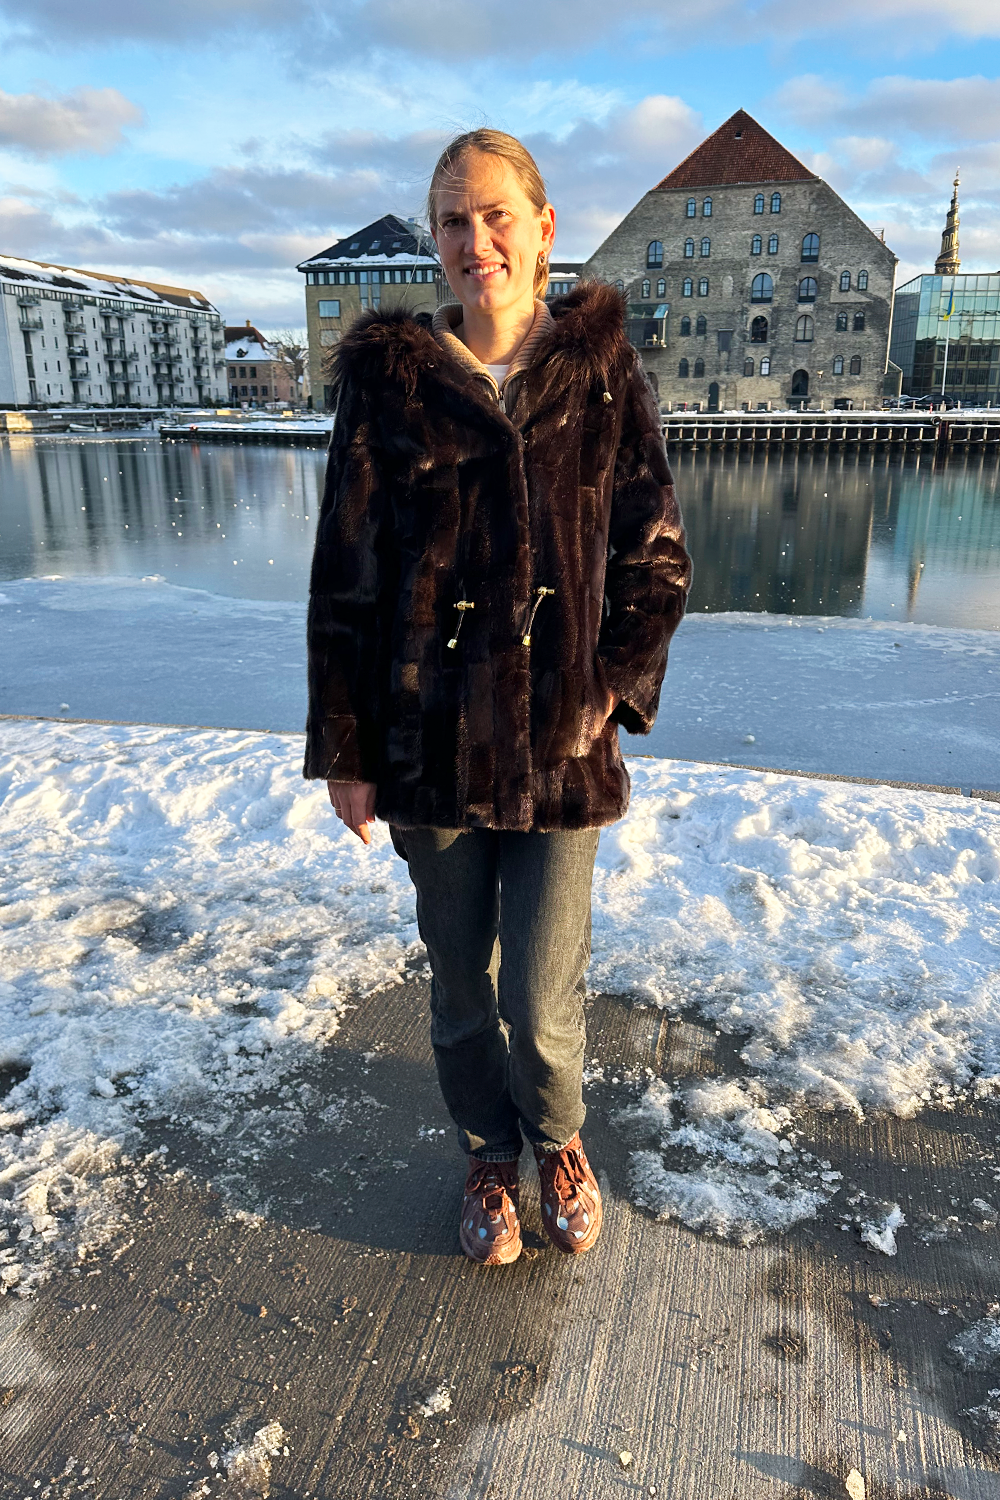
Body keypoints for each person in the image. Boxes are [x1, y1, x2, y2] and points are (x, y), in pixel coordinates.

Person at [305, 129, 691, 1265]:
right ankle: (487, 1152)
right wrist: (346, 749)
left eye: (495, 216)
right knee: (460, 986)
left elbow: (655, 556)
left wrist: (608, 689)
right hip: (428, 743)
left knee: (542, 990)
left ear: (542, 227)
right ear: (435, 241)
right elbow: (346, 575)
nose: (476, 242)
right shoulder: (390, 385)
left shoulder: (600, 372)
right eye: (453, 222)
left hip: (562, 749)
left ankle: (559, 1140)